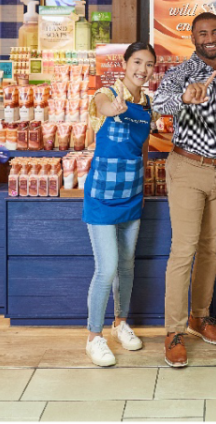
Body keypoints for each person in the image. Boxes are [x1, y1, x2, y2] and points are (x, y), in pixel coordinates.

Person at [151, 12, 216, 369]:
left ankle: (199, 317)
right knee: (184, 250)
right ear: (193, 38)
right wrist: (184, 101)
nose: (209, 38)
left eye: (215, 31)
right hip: (187, 167)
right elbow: (157, 105)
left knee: (211, 249)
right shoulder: (180, 73)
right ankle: (174, 332)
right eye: (202, 33)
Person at [81, 42, 157, 367]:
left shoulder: (148, 103)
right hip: (101, 197)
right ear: (125, 64)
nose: (143, 69)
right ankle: (93, 337)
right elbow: (98, 104)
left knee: (127, 265)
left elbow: (141, 150)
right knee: (107, 267)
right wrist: (109, 109)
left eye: (149, 64)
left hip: (131, 195)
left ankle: (120, 323)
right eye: (137, 62)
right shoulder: (105, 94)